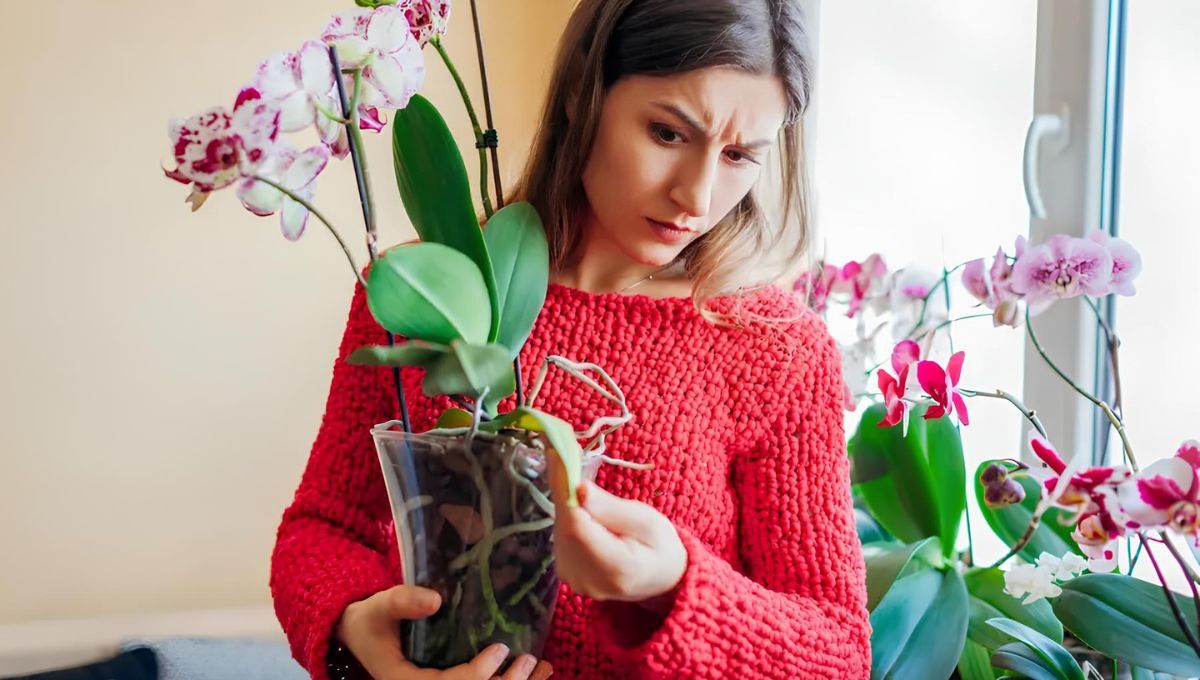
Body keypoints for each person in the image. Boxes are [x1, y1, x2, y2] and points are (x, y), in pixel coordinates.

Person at [270, 0, 872, 678]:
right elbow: (323, 529)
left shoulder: (774, 348)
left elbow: (838, 653)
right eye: (668, 133)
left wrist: (674, 583)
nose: (698, 197)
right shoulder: (429, 293)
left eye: (738, 155)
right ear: (583, 95)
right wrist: (357, 628)